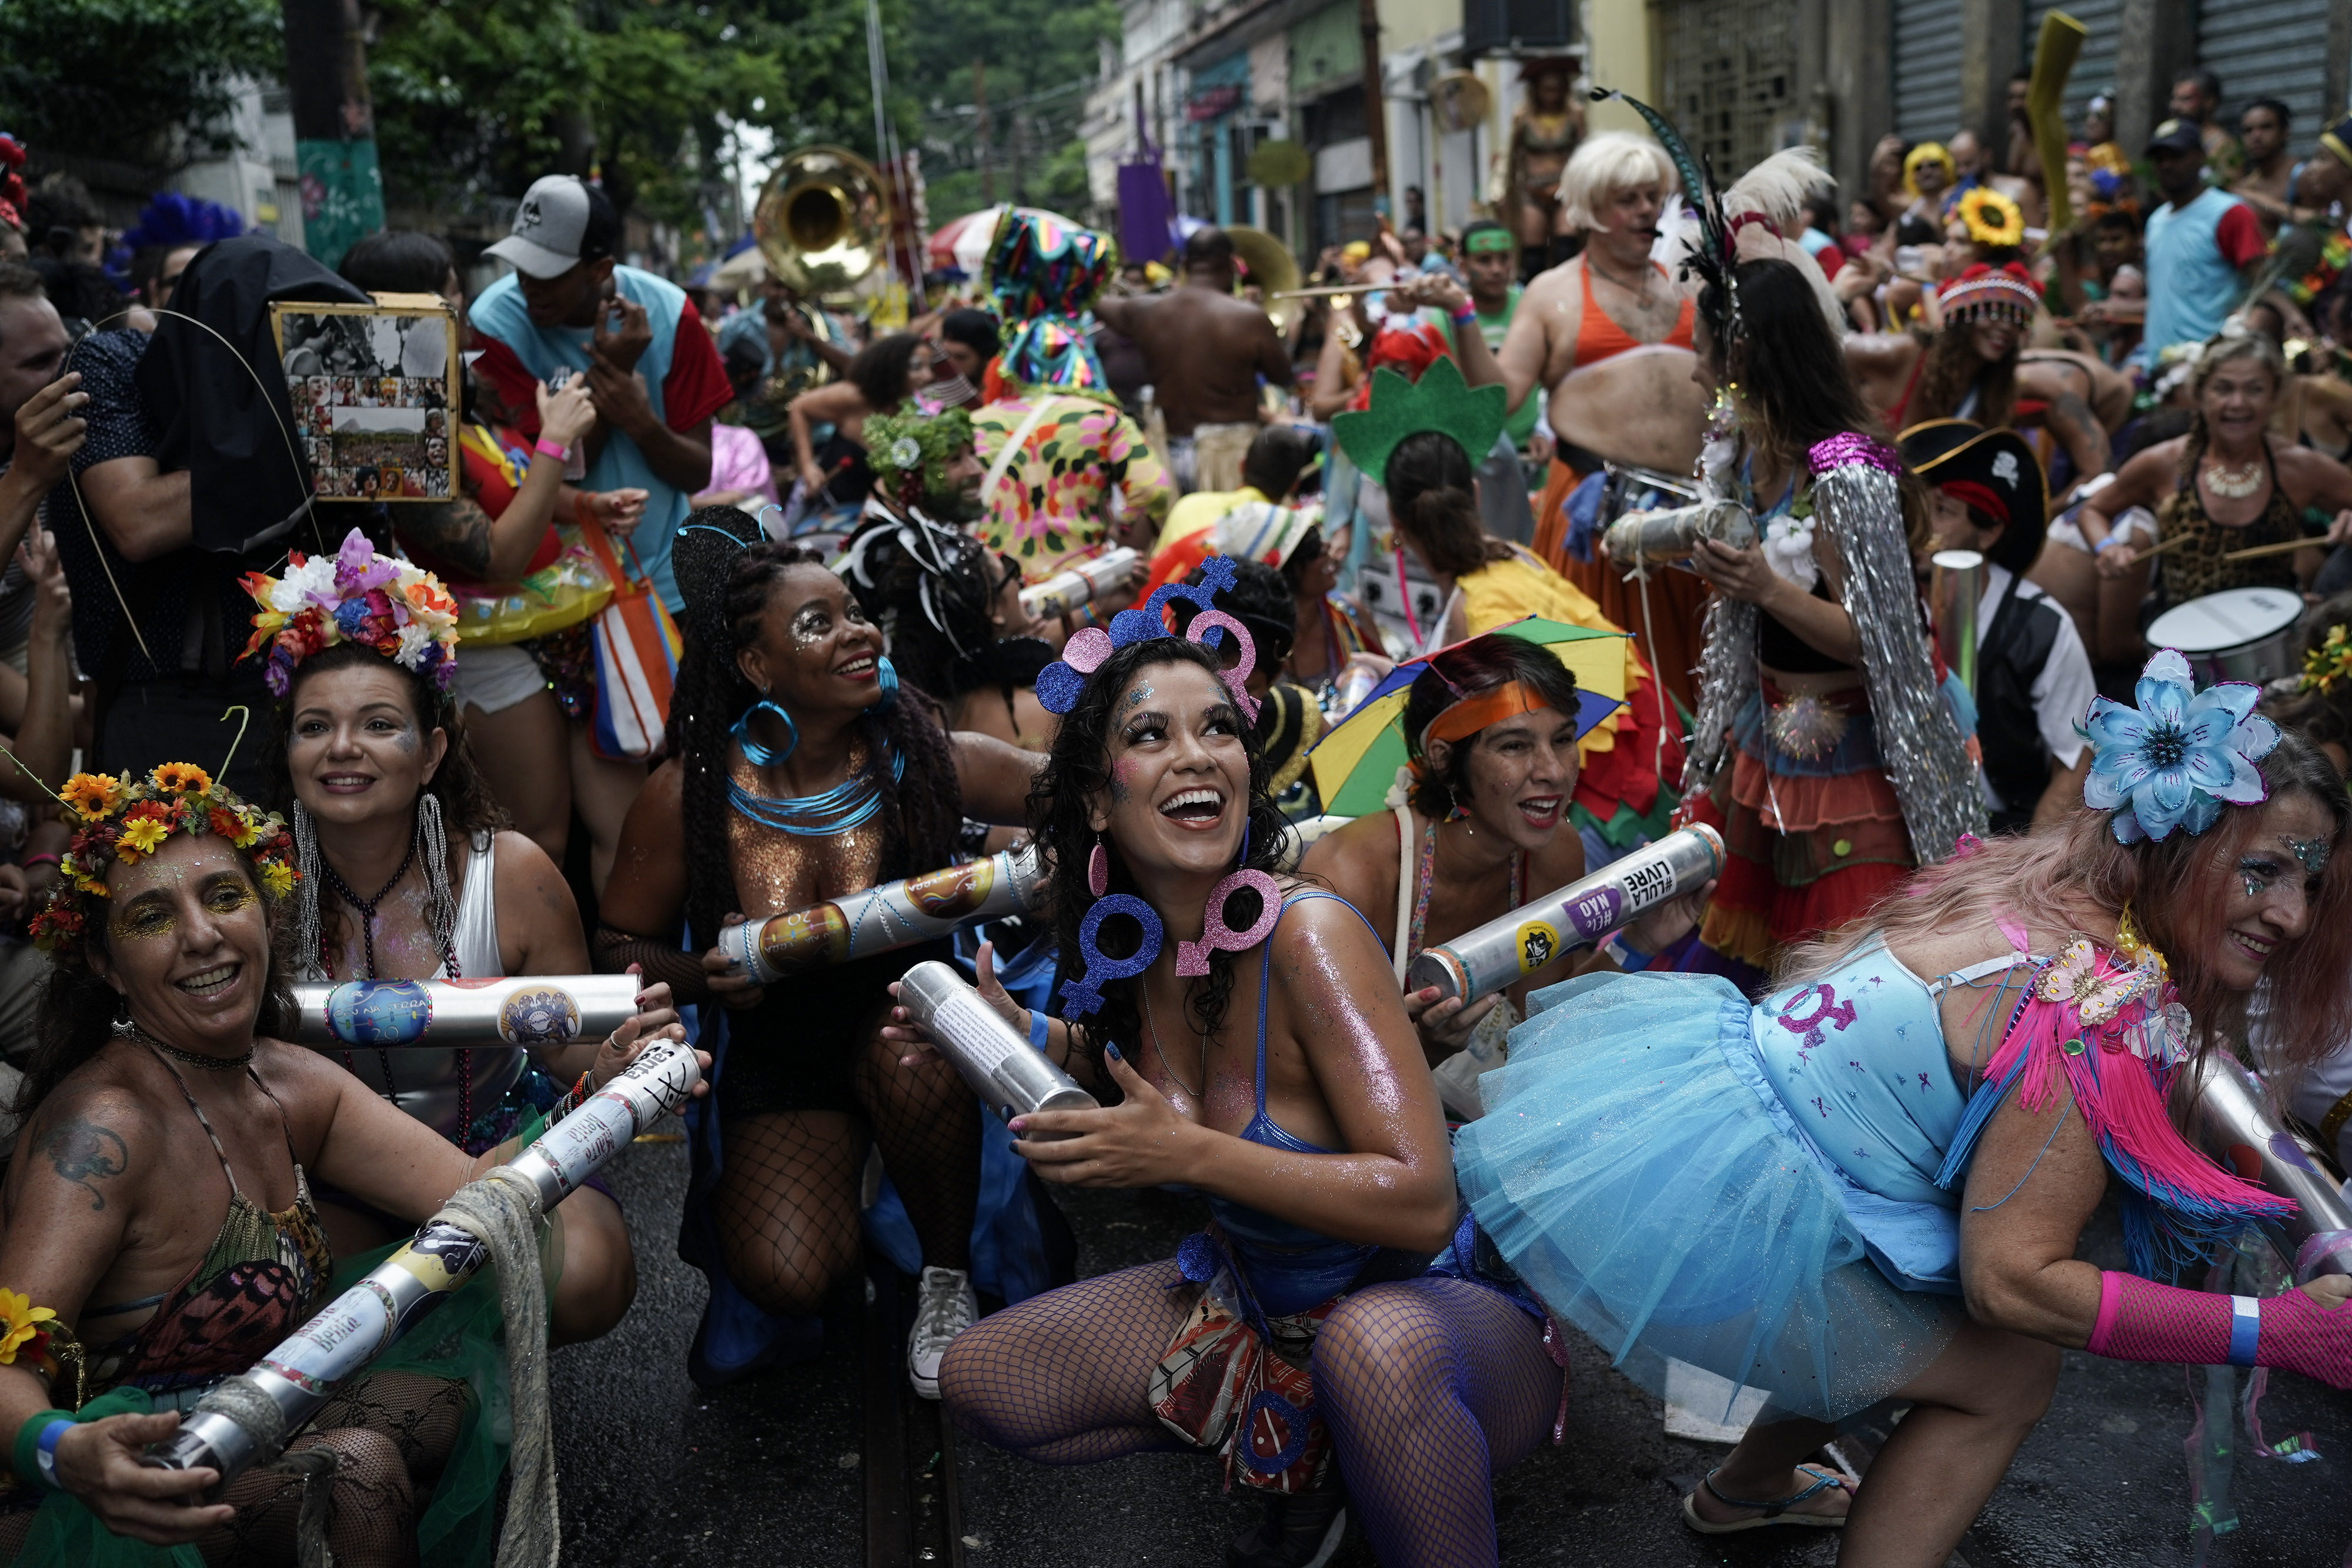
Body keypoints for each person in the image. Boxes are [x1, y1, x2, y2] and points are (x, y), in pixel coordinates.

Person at [1455, 649, 2352, 1556]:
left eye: (2310, 882)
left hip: (1711, 1157)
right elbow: (2014, 1281)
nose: (2293, 915)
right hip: (1737, 1225)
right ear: (2180, 839)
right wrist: (2274, 1327)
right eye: (2265, 870)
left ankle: (1750, 1487)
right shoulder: (2089, 1003)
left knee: (1910, 1282)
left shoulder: (2036, 879)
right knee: (2009, 1368)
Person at [896, 601, 1565, 1568]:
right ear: (1096, 800)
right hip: (1262, 1304)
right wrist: (1020, 1034)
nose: (1197, 755)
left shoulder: (1309, 933)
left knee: (1370, 1348)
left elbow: (1423, 1201)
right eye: (1150, 734)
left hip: (1438, 1316)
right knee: (984, 1374)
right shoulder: (1143, 943)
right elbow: (1150, 1076)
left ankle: (1376, 1446)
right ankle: (1323, 1452)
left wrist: (1190, 1155)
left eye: (1218, 727)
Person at [0, 760, 700, 1565]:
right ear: (104, 962)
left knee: (449, 1407)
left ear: (266, 914)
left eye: (223, 897)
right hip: (90, 1487)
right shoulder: (102, 1129)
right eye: (152, 916)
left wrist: (599, 1089)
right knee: (358, 1474)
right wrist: (67, 1453)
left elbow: (477, 1191)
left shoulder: (284, 1078)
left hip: (232, 1413)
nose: (201, 935)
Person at [593, 527, 1040, 1393]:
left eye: (855, 612)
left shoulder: (920, 755)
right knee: (793, 1275)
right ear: (757, 666)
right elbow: (618, 943)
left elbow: (1075, 787)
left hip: (910, 1026)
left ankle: (943, 1273)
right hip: (779, 1051)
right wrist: (701, 976)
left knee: (909, 1056)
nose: (857, 632)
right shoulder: (690, 793)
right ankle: (857, 1192)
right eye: (817, 622)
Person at [238, 526, 639, 1342]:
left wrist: (615, 1055)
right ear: (289, 752)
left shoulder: (511, 873)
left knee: (587, 1275)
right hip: (332, 1179)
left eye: (378, 724)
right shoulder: (254, 893)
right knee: (281, 1291)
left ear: (431, 753)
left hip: (496, 1149)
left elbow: (567, 1051)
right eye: (314, 727)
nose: (342, 749)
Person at [1675, 250, 1983, 988]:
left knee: (1846, 979)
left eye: (1703, 352)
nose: (1694, 372)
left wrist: (1763, 587)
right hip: (1769, 736)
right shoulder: (1741, 453)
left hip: (1858, 760)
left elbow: (1882, 646)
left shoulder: (1847, 474)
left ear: (1740, 355)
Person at [1301, 633, 1706, 1118]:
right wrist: (1426, 1047)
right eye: (1515, 745)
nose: (1554, 771)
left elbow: (1541, 1035)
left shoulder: (1554, 851)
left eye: (1563, 739)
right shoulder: (1350, 876)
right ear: (1444, 759)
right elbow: (1309, 1089)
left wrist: (1639, 940)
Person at [1339, 355, 1687, 863]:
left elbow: (1517, 734)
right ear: (1475, 494)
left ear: (1393, 517)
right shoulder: (1515, 557)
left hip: (1599, 804)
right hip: (1650, 753)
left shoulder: (1478, 612)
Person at [1502, 132, 1712, 717]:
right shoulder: (1550, 292)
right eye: (1628, 199)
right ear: (1592, 209)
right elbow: (1503, 397)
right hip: (1593, 516)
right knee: (1597, 699)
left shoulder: (1692, 280)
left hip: (1692, 514)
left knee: (1698, 686)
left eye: (1653, 196)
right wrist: (1462, 317)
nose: (1647, 210)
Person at [468, 173, 733, 616]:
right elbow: (543, 480)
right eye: (521, 267)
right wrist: (614, 375)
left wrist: (643, 424)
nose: (529, 285)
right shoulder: (495, 325)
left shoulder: (673, 314)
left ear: (600, 270)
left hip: (662, 584)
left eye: (547, 273)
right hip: (549, 590)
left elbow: (696, 473)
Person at [2070, 333, 2352, 665]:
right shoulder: (2164, 464)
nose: (2238, 403)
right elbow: (2094, 509)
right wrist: (2106, 547)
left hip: (2273, 645)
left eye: (2255, 390)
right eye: (2223, 389)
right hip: (2182, 652)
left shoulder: (2299, 467)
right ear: (2200, 395)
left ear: (2275, 397)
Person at [1899, 420, 2094, 834]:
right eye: (1913, 508)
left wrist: (2024, 866)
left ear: (1988, 532)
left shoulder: (2042, 629)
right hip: (1897, 823)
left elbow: (2074, 763)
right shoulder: (1885, 606)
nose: (1918, 528)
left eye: (1942, 511)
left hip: (2007, 834)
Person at [839, 407, 1057, 753]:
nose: (975, 469)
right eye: (955, 460)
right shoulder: (1050, 717)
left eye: (973, 454)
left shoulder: (905, 739)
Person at [974, 213, 1172, 580]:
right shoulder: (1102, 419)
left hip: (1001, 589)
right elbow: (1153, 491)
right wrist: (1122, 538)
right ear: (1082, 356)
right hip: (1082, 586)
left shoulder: (977, 424)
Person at [1849, 258, 2112, 492]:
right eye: (1993, 312)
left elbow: (2097, 467)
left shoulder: (1999, 391)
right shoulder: (1903, 354)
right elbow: (1833, 354)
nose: (2006, 327)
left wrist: (2048, 515)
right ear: (1962, 315)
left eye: (2017, 319)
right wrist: (1843, 296)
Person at [1092, 228, 1291, 495]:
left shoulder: (1145, 311)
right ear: (1231, 265)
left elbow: (1096, 302)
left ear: (1185, 264)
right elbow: (1282, 376)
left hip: (1165, 456)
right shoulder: (1249, 319)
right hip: (1231, 458)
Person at [2134, 119, 2269, 370]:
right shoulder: (2156, 222)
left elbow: (2262, 287)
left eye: (2176, 156)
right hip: (2159, 369)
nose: (2166, 165)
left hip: (2207, 367)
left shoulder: (2229, 213)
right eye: (2159, 159)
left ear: (2200, 157)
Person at [787, 331, 932, 509]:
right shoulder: (854, 397)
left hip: (878, 513)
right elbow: (799, 408)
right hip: (826, 507)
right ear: (893, 365)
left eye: (929, 367)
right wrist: (808, 466)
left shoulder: (917, 413)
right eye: (917, 367)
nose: (928, 376)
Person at [1458, 220, 1542, 474]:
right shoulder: (1443, 318)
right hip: (1469, 458)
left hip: (1530, 455)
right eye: (1484, 260)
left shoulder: (1532, 307)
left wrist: (1545, 430)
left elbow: (1556, 378)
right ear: (1463, 267)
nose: (1496, 269)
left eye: (1504, 258)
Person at [1498, 58, 1585, 278]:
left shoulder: (1575, 114)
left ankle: (1568, 289)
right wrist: (1501, 189)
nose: (1552, 95)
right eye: (1547, 89)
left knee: (1566, 246)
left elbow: (1584, 153)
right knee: (1533, 253)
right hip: (1533, 190)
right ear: (1536, 90)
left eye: (1557, 88)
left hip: (1564, 188)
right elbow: (1510, 155)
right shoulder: (1523, 116)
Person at [2231, 98, 2301, 233]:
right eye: (2248, 130)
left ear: (2284, 132)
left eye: (2266, 127)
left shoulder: (2302, 176)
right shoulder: (2244, 186)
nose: (2256, 136)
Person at [2171, 66, 2244, 184]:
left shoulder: (2224, 146)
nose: (2176, 106)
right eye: (2175, 99)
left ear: (2209, 101)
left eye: (2186, 99)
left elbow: (2231, 190)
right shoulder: (2172, 138)